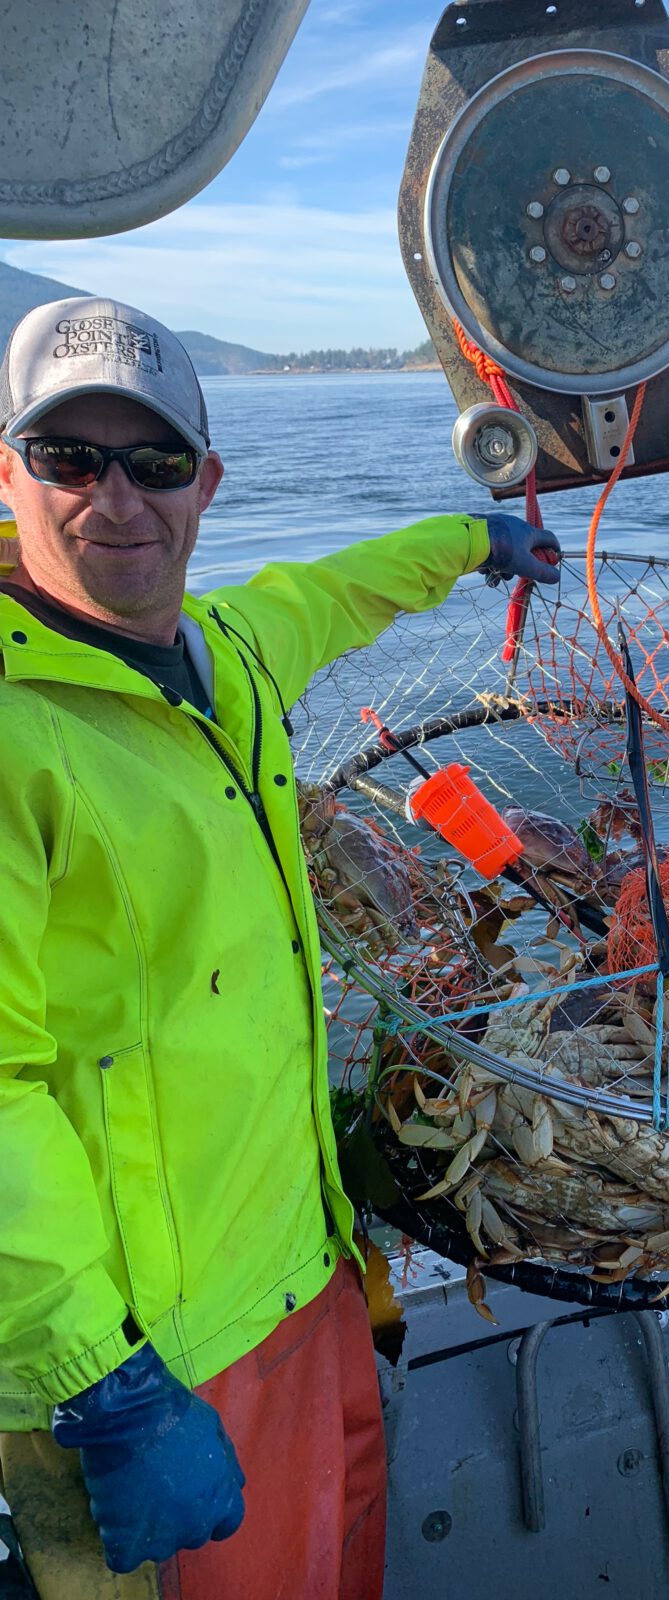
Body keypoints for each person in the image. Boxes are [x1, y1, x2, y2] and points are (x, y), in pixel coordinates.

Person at [0, 295, 560, 1598]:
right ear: (8, 472)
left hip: (305, 1268)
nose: (115, 500)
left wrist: (473, 542)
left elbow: (332, 593)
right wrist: (102, 1382)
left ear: (206, 482)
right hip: (147, 1355)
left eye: (150, 463)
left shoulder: (224, 649)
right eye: (68, 459)